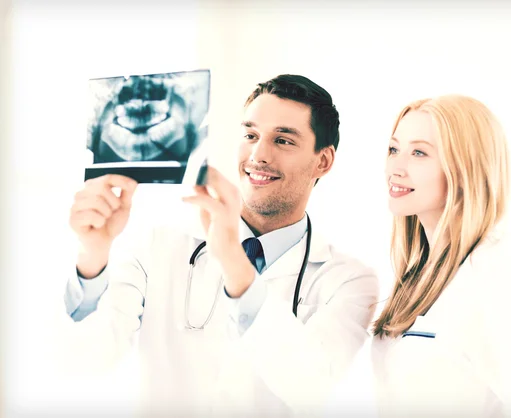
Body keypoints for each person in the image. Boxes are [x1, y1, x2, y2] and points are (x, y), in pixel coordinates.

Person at [63, 74, 379, 417]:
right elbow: (86, 360)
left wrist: (234, 263)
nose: (259, 155)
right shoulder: (159, 243)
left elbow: (313, 386)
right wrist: (92, 256)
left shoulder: (350, 280)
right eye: (251, 135)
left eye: (283, 140)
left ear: (323, 161)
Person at [370, 94, 511, 417]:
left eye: (419, 153)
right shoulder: (419, 273)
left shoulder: (494, 268)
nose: (395, 167)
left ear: (464, 167)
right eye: (394, 149)